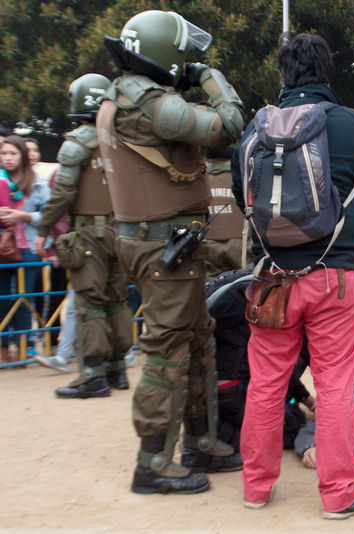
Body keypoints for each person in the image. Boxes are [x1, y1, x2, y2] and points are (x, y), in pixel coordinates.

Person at [233, 32, 354, 519]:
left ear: (283, 74)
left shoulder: (255, 130)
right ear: (326, 71)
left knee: (266, 382)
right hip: (335, 275)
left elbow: (244, 200)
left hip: (272, 279)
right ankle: (339, 496)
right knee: (335, 384)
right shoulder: (353, 124)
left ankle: (256, 487)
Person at [97, 9, 245, 494]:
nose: (186, 66)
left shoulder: (125, 97)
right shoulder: (150, 104)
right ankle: (153, 461)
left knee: (198, 338)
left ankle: (200, 441)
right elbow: (229, 125)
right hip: (165, 247)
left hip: (165, 243)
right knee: (167, 349)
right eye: (183, 58)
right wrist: (212, 78)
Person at [33, 73, 133, 398]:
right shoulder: (123, 140)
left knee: (90, 303)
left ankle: (92, 374)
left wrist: (43, 229)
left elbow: (62, 192)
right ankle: (118, 369)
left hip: (88, 235)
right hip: (121, 232)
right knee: (118, 300)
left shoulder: (77, 141)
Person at [0, 135, 50, 363]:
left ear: (22, 155)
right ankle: (3, 349)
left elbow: (49, 215)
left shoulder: (38, 183)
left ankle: (24, 348)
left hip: (28, 248)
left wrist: (24, 215)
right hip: (2, 248)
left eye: (12, 153)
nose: (8, 158)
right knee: (2, 301)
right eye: (4, 154)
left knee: (25, 299)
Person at [204, 147, 248, 281]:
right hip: (241, 244)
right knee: (245, 285)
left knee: (210, 292)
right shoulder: (243, 175)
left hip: (208, 244)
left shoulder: (199, 176)